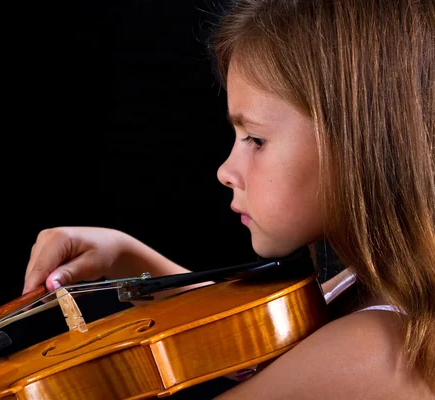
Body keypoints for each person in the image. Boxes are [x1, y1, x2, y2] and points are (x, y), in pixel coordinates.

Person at [22, 0, 435, 398]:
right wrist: (129, 257)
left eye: (255, 139)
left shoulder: (378, 351)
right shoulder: (365, 289)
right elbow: (249, 332)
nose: (225, 172)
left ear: (361, 147)